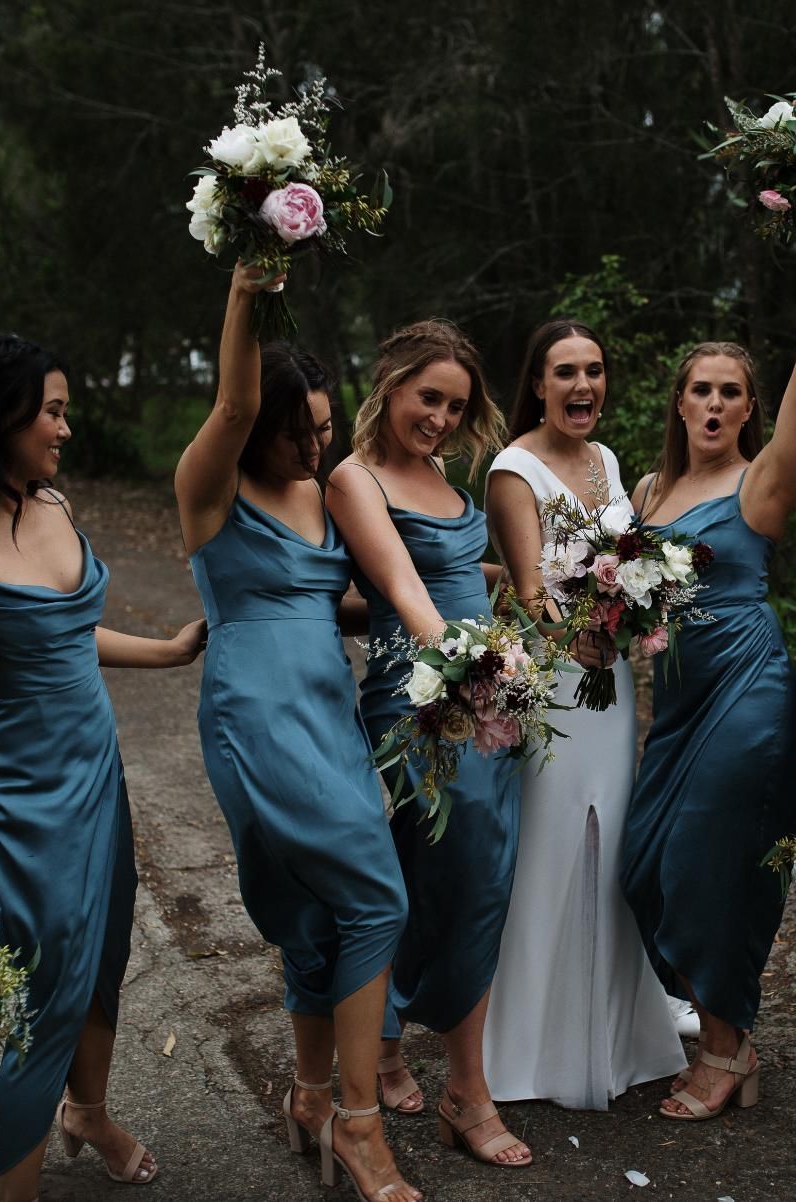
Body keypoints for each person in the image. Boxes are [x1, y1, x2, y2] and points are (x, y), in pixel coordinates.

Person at [0, 335, 206, 1202]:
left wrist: (167, 650)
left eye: (64, 409)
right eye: (52, 410)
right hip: (25, 806)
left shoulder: (56, 509)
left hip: (97, 782)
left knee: (103, 956)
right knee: (43, 994)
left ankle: (89, 1112)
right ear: (2, 419)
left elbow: (69, 639)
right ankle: (16, 1190)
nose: (65, 429)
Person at [174, 265, 418, 1202]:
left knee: (322, 918)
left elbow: (334, 602)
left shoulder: (318, 494)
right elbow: (234, 404)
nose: (314, 445)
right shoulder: (210, 490)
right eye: (296, 430)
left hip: (330, 711)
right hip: (257, 716)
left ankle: (312, 1097)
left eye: (324, 426)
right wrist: (243, 287)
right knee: (375, 896)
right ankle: (361, 1127)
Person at [622, 172, 796, 1123]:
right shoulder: (642, 495)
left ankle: (723, 1048)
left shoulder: (760, 487)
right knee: (642, 865)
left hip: (746, 687)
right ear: (677, 404)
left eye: (730, 394)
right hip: (672, 705)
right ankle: (726, 1034)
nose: (714, 405)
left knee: (707, 866)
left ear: (748, 409)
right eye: (699, 392)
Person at [326, 320, 532, 1168]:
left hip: (488, 691)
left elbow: (450, 566)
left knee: (477, 880)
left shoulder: (445, 474)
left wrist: (517, 606)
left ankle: (448, 1075)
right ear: (390, 385)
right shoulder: (352, 476)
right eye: (428, 398)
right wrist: (471, 666)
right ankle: (429, 1071)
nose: (441, 419)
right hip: (417, 702)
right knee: (431, 878)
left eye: (455, 405)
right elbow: (402, 587)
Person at [480, 319, 687, 1110]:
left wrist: (634, 613)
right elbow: (531, 590)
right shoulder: (512, 469)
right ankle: (531, 1044)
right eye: (564, 373)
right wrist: (585, 640)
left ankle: (615, 1030)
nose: (582, 387)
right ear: (536, 383)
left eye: (594, 371)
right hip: (559, 680)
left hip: (611, 680)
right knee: (554, 838)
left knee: (611, 839)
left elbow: (620, 562)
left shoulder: (604, 460)